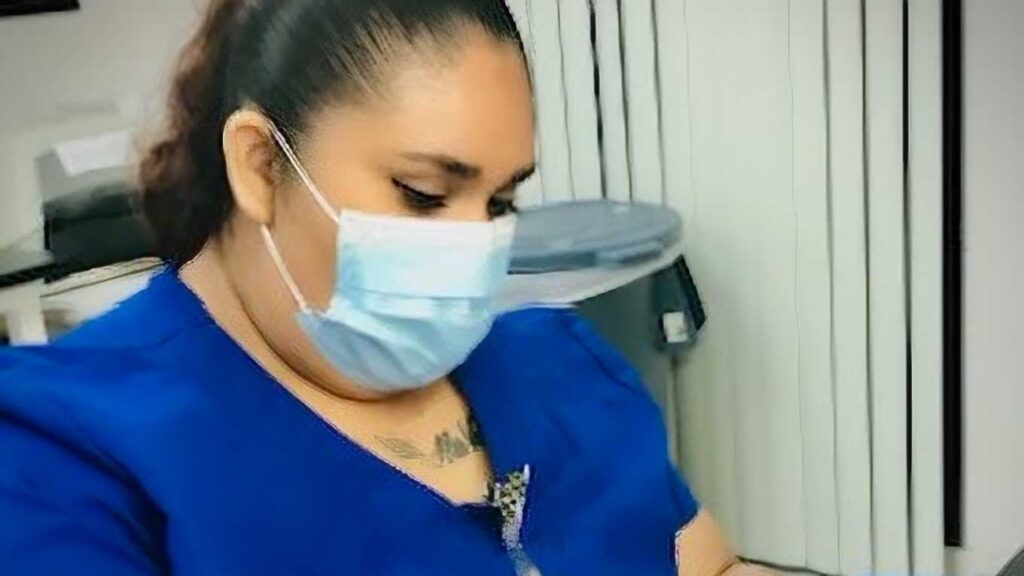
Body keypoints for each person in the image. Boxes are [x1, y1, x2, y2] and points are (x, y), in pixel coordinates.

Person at [0, 1, 766, 574]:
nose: (473, 245)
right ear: (262, 166)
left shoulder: (557, 365)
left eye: (499, 203)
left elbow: (712, 566)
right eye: (425, 194)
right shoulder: (63, 450)